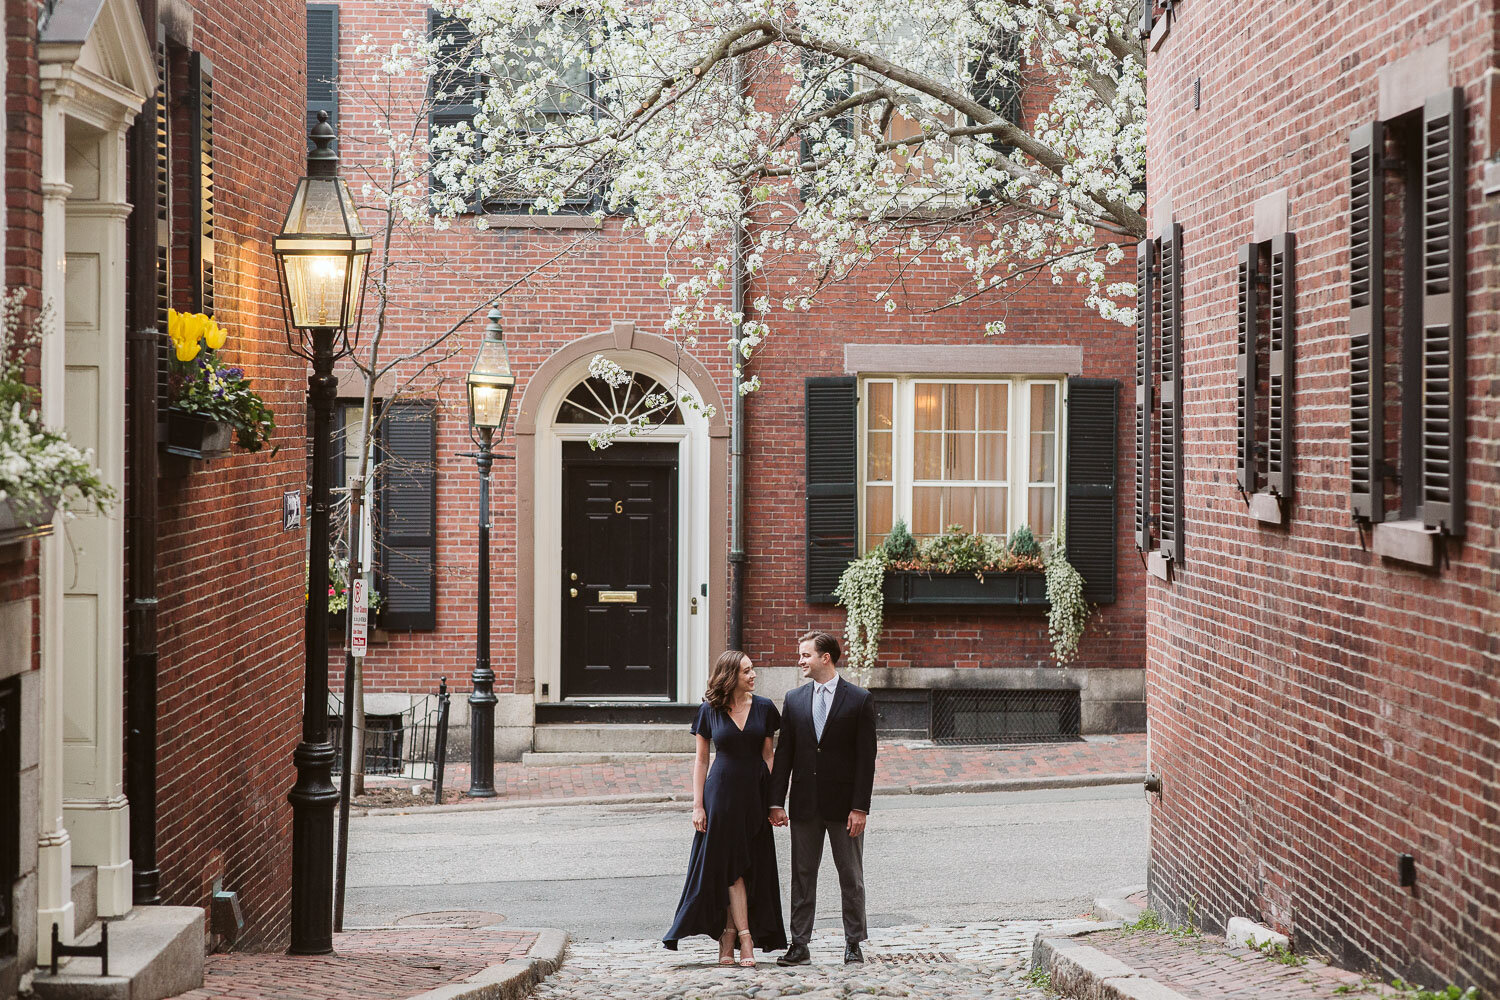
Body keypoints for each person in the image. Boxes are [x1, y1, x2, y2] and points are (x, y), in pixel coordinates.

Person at [664, 650, 789, 966]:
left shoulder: (764, 708)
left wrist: (775, 801)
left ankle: (728, 936)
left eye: (753, 668)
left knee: (748, 867)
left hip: (754, 795)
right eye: (747, 670)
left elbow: (769, 756)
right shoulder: (710, 710)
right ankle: (743, 939)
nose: (753, 675)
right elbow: (702, 759)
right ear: (730, 675)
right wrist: (697, 805)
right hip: (720, 796)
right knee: (731, 868)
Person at [768, 630, 877, 965]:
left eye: (805, 655)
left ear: (824, 658)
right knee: (802, 876)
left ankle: (854, 943)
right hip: (804, 805)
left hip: (844, 806)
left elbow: (865, 759)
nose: (800, 661)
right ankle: (799, 944)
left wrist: (860, 807)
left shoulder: (859, 699)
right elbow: (784, 754)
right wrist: (776, 801)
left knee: (851, 876)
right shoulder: (795, 699)